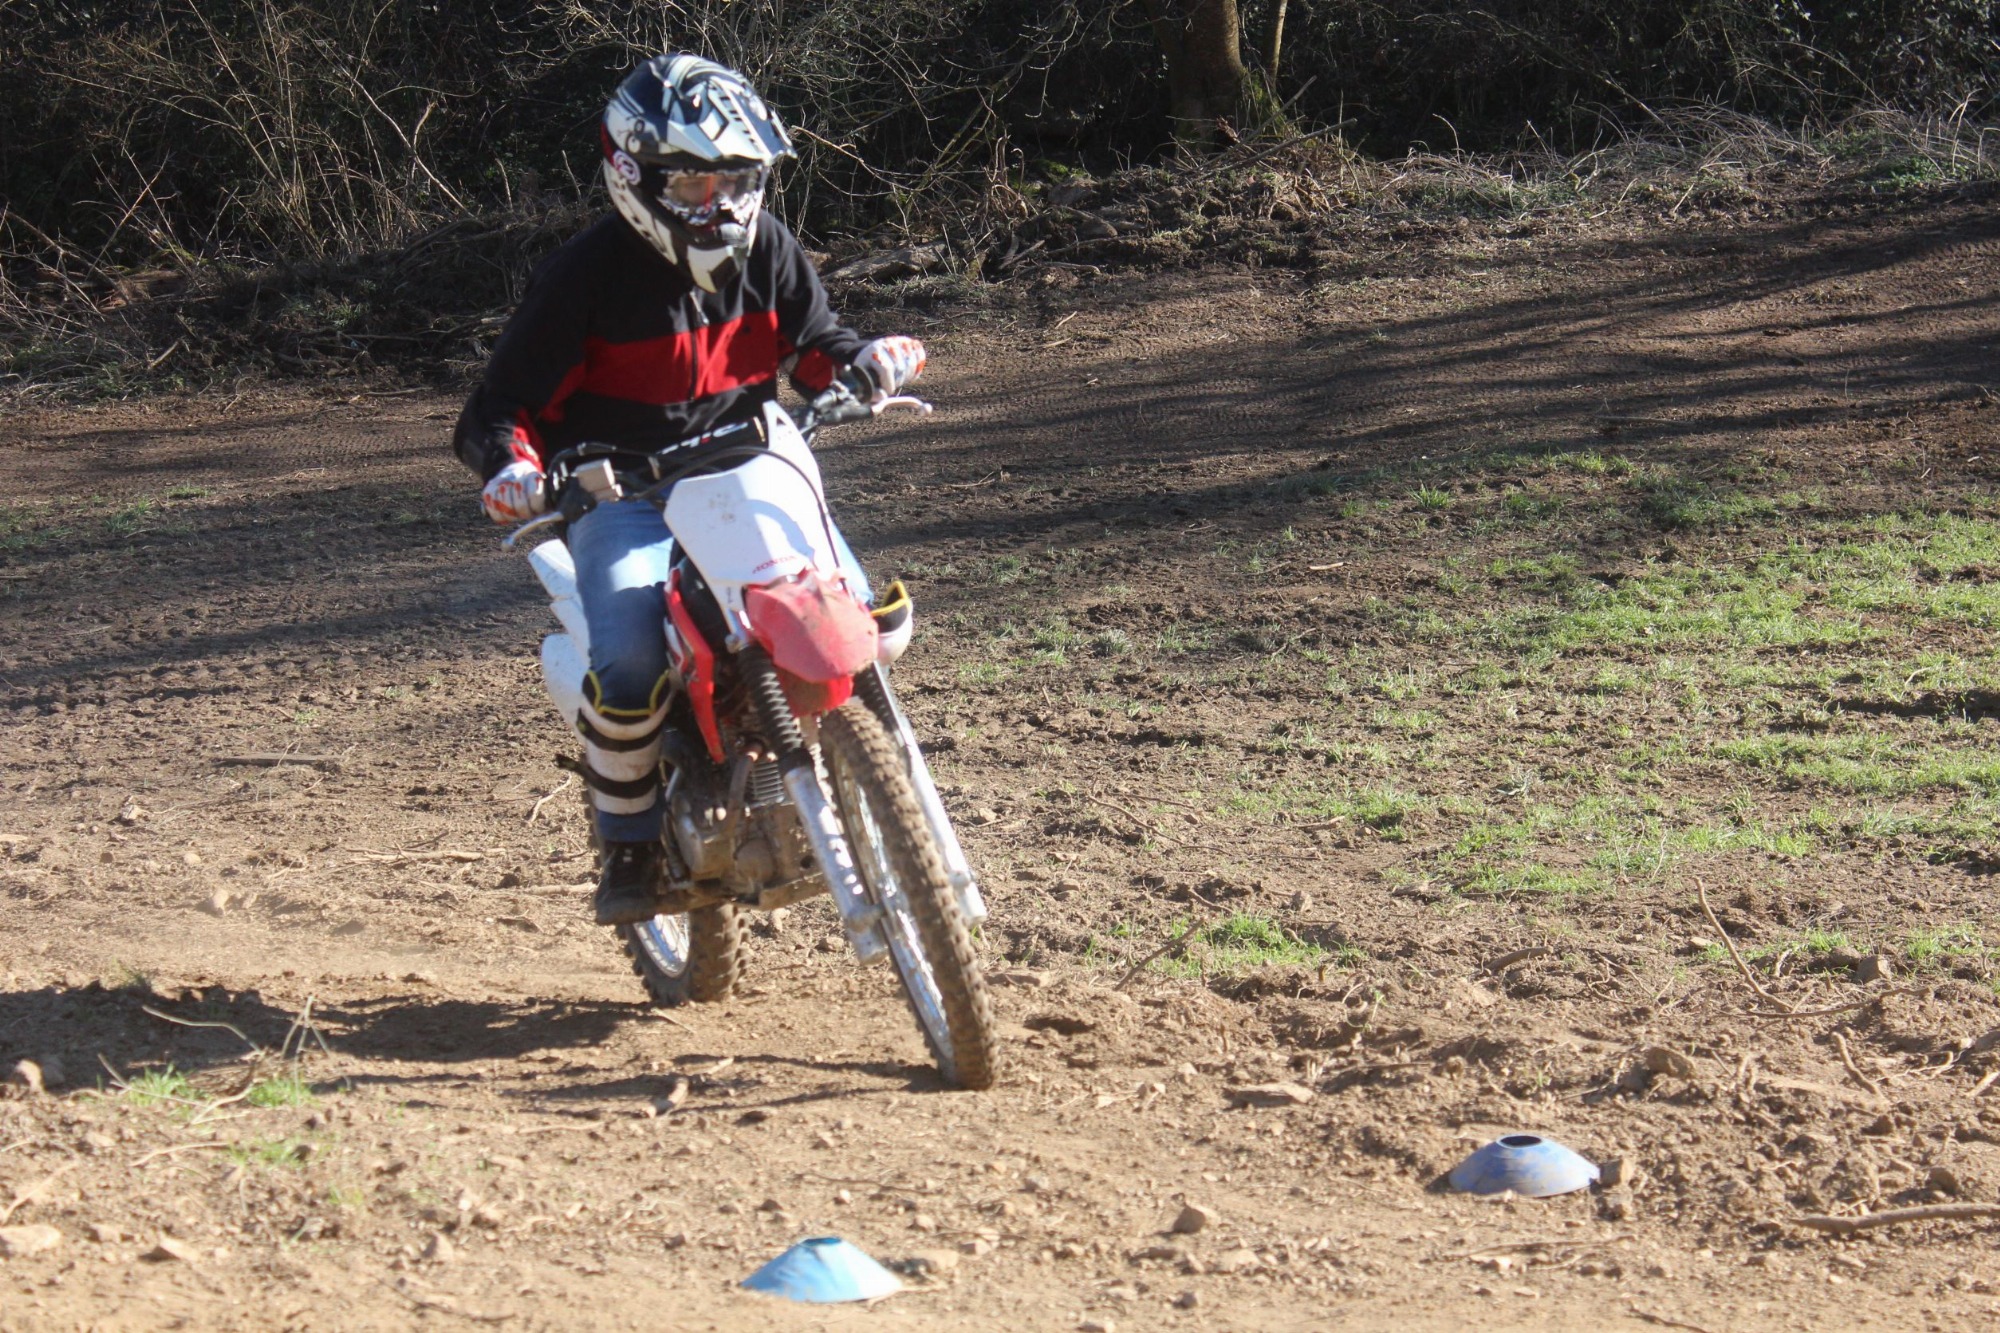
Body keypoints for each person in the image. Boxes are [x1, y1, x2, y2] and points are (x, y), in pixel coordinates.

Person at [452, 53, 927, 926]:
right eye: (697, 180)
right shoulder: (583, 279)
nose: (722, 201)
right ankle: (629, 847)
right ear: (635, 174)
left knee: (867, 614)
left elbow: (813, 342)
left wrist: (863, 362)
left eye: (738, 178)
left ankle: (874, 783)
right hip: (618, 490)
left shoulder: (768, 248)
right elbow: (498, 409)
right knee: (629, 662)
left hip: (747, 463)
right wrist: (515, 471)